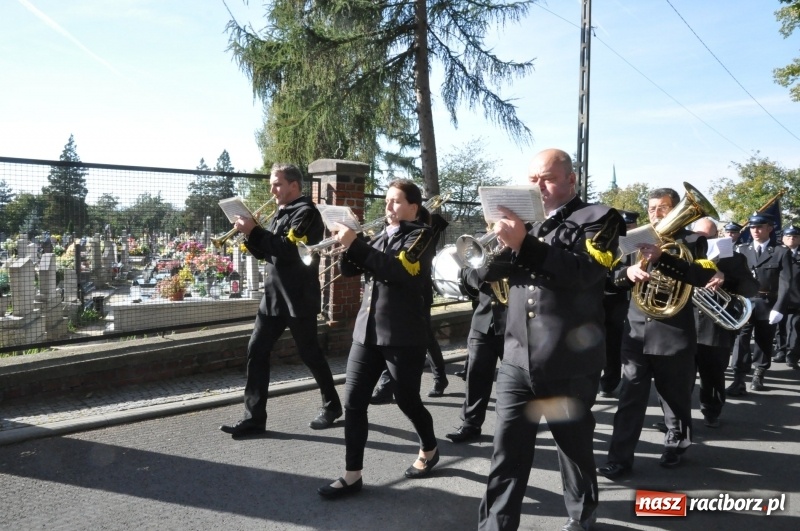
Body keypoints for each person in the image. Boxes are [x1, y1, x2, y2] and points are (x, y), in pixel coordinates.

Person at [478, 148, 625, 531]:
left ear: (570, 180)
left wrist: (524, 244)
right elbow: (491, 278)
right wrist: (479, 265)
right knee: (506, 450)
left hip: (568, 361)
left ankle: (582, 514)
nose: (537, 186)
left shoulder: (599, 218)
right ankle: (496, 525)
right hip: (517, 356)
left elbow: (586, 273)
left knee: (573, 447)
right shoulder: (526, 222)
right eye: (531, 179)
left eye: (547, 178)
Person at [318, 179, 440, 499]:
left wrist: (357, 244)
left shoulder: (422, 237)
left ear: (413, 207)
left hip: (403, 335)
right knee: (354, 403)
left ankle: (429, 447)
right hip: (366, 332)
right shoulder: (380, 237)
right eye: (386, 201)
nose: (388, 207)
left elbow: (397, 272)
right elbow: (349, 270)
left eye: (396, 202)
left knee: (406, 399)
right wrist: (349, 243)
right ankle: (352, 474)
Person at [598, 188, 717, 478]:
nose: (656, 213)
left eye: (663, 207)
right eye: (651, 208)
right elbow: (610, 282)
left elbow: (702, 277)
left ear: (676, 209)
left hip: (673, 333)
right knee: (629, 399)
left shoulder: (693, 241)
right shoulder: (634, 239)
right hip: (636, 332)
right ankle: (620, 458)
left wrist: (663, 258)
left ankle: (675, 444)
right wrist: (626, 276)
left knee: (674, 399)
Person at [219, 163, 342, 438]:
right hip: (273, 298)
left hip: (298, 297)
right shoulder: (281, 212)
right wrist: (249, 235)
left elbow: (287, 250)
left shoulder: (307, 213)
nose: (272, 189)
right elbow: (268, 253)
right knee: (256, 351)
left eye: (277, 184)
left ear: (294, 186)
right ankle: (254, 418)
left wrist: (255, 231)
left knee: (310, 354)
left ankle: (332, 405)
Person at [370, 213, 450, 403]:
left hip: (418, 295)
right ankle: (386, 387)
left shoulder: (424, 229)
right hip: (394, 296)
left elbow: (435, 227)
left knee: (427, 339)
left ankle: (440, 379)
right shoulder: (394, 228)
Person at [689, 218, 758, 427]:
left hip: (715, 327)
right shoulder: (684, 255)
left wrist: (724, 277)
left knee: (713, 374)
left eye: (709, 237)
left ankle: (711, 412)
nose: (703, 241)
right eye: (699, 237)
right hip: (685, 324)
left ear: (716, 236)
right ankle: (674, 419)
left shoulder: (733, 258)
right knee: (679, 378)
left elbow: (751, 288)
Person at [444, 250, 509, 443]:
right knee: (476, 377)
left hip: (512, 324)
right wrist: (481, 277)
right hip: (482, 322)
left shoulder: (523, 243)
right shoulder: (483, 245)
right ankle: (470, 425)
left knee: (520, 381)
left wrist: (490, 273)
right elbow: (465, 273)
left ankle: (518, 426)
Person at [727, 213, 791, 395]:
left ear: (770, 229)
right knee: (742, 339)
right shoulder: (742, 249)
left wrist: (779, 307)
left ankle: (759, 373)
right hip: (745, 302)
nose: (755, 231)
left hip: (767, 302)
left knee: (764, 340)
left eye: (760, 227)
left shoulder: (781, 252)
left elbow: (786, 282)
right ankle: (738, 378)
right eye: (752, 228)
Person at [599, 210, 639, 398]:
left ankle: (611, 381)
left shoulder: (640, 245)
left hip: (630, 301)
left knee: (615, 343)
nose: (627, 230)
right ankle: (607, 381)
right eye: (624, 227)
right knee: (607, 342)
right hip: (610, 299)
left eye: (630, 226)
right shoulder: (610, 244)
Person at [772, 225, 800, 368]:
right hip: (779, 296)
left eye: (795, 236)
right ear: (783, 238)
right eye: (788, 236)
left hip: (797, 297)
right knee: (779, 326)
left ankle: (792, 355)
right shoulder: (776, 252)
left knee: (795, 326)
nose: (791, 239)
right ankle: (781, 350)